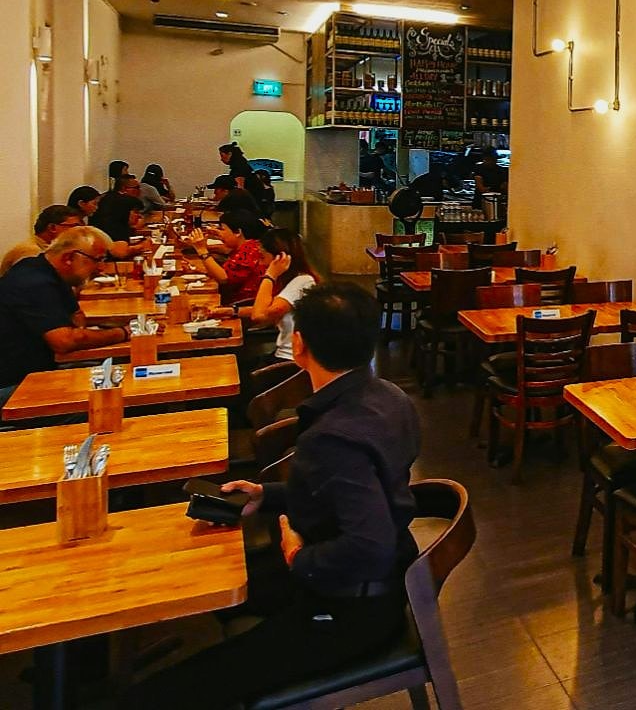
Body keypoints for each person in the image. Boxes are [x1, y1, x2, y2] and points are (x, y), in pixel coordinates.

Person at [125, 283, 420, 709]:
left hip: (347, 609)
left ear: (298, 344)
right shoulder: (390, 398)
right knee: (216, 599)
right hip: (379, 584)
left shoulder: (334, 436)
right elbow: (351, 490)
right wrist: (265, 495)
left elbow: (368, 547)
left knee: (160, 695)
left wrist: (297, 557)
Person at [0, 227, 130, 403]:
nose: (101, 268)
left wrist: (77, 333)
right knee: (117, 400)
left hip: (39, 372)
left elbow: (78, 319)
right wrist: (124, 333)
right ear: (68, 258)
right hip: (14, 385)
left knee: (119, 373)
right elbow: (65, 341)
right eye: (97, 260)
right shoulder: (34, 281)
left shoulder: (48, 271)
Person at [215, 229, 318, 362]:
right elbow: (270, 308)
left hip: (290, 360)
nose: (259, 261)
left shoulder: (302, 282)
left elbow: (259, 315)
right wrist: (232, 311)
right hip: (282, 353)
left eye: (262, 256)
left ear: (280, 257)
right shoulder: (289, 280)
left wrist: (270, 275)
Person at [186, 209, 268, 303]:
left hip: (242, 305)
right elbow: (226, 271)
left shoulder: (249, 250)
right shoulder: (249, 245)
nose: (220, 234)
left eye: (222, 229)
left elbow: (223, 278)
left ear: (238, 232)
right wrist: (199, 270)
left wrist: (202, 250)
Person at [0, 205, 82, 275]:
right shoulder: (30, 252)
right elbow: (33, 286)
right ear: (52, 228)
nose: (78, 232)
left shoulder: (51, 248)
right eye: (74, 226)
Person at [90, 174, 147, 245]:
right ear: (124, 188)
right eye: (137, 188)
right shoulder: (117, 202)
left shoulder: (115, 198)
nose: (140, 191)